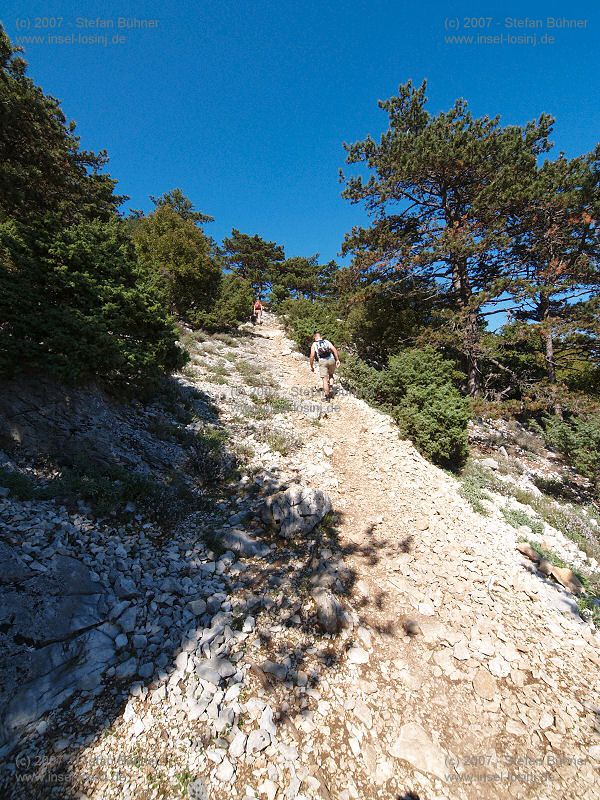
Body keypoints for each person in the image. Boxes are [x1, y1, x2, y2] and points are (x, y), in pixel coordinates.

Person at [309, 331, 340, 401]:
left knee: (324, 379)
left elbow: (312, 356)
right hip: (331, 359)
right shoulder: (326, 341)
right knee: (331, 375)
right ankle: (331, 388)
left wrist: (311, 366)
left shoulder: (314, 344)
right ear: (321, 337)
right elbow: (334, 349)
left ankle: (327, 396)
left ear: (315, 338)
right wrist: (337, 359)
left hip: (322, 361)